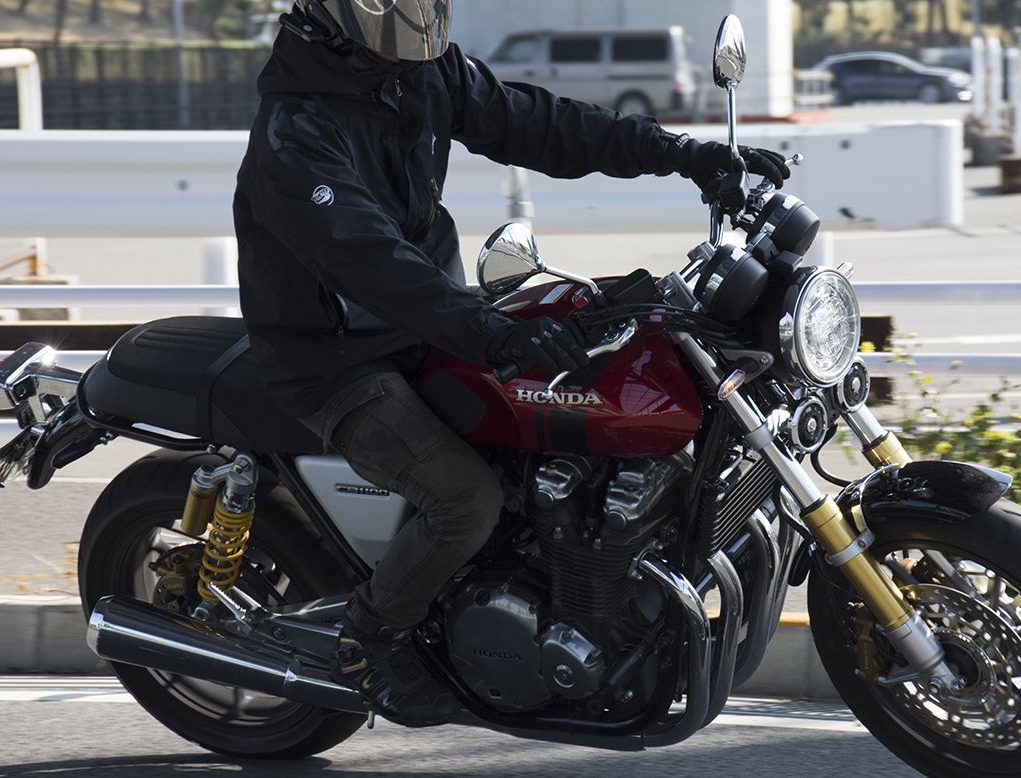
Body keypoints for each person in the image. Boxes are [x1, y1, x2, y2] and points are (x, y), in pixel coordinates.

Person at [232, 0, 790, 729]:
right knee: (465, 501)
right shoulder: (294, 132)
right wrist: (492, 335)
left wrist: (683, 154)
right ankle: (367, 642)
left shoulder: (422, 72)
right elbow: (369, 259)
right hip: (337, 358)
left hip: (432, 325)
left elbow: (540, 123)